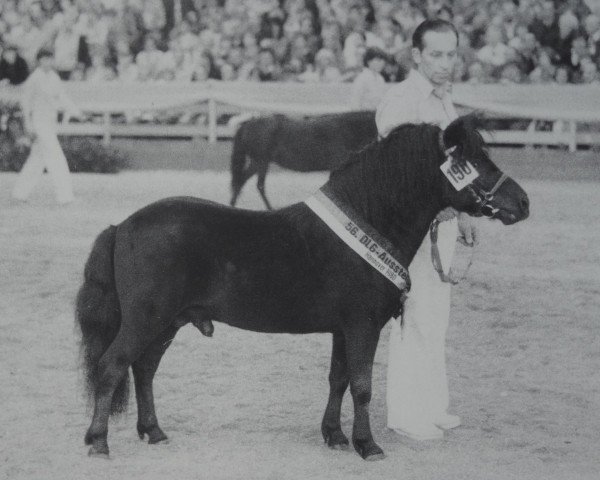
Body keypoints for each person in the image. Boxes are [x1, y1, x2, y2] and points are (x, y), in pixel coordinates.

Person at [375, 19, 477, 441]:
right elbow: (394, 169)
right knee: (413, 316)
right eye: (435, 54)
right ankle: (405, 414)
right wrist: (434, 210)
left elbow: (455, 165)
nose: (444, 63)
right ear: (416, 55)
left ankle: (433, 407)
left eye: (451, 54)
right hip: (411, 226)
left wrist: (465, 211)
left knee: (436, 317)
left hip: (445, 224)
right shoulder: (401, 100)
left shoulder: (445, 102)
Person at [12, 48, 80, 205]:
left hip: (49, 122)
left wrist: (76, 112)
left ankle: (20, 193)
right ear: (39, 61)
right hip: (38, 123)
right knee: (56, 157)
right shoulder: (34, 79)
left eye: (50, 59)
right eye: (44, 59)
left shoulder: (54, 77)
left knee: (37, 159)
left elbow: (62, 97)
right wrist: (28, 124)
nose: (48, 62)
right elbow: (26, 104)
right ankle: (65, 196)